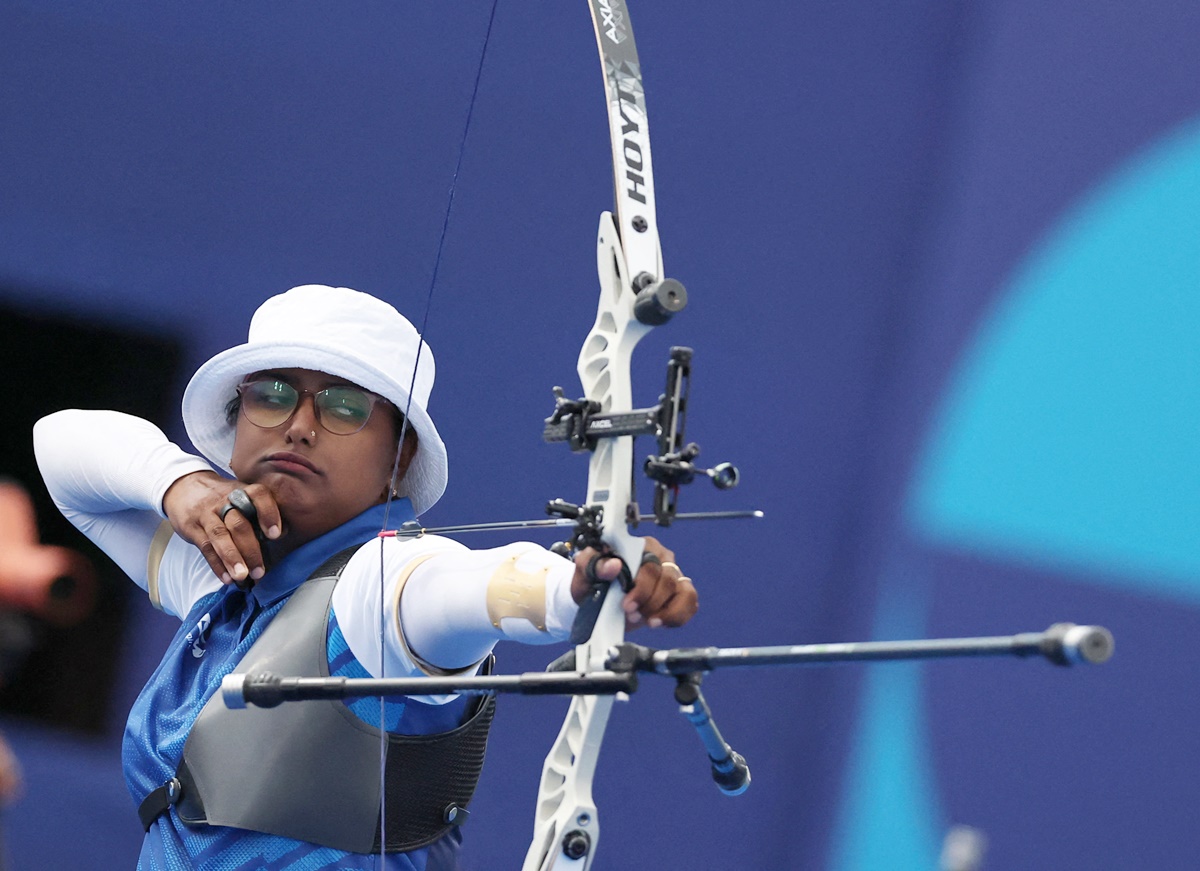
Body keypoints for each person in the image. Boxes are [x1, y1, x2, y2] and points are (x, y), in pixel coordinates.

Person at [33, 285, 697, 871]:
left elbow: (470, 588)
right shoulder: (220, 580)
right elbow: (58, 445)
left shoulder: (382, 587)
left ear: (397, 456)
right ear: (237, 421)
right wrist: (177, 482)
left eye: (344, 407)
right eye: (270, 395)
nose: (297, 426)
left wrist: (582, 585)